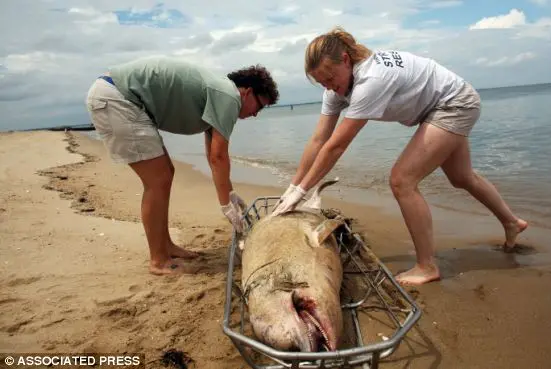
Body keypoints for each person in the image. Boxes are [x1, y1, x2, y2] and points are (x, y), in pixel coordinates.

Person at [271, 27, 527, 286]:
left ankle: (427, 266)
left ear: (346, 60)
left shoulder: (371, 80)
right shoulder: (335, 89)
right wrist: (293, 187)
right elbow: (318, 140)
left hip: (454, 104)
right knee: (461, 177)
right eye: (322, 82)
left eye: (330, 78)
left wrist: (303, 191)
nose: (329, 87)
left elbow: (336, 146)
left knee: (402, 181)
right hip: (443, 104)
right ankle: (511, 222)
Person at [85, 56, 279, 275]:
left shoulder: (218, 94)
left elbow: (212, 155)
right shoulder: (229, 96)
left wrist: (230, 195)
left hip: (117, 95)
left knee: (165, 174)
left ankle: (165, 246)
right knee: (157, 180)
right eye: (260, 106)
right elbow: (219, 157)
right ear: (246, 91)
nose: (255, 114)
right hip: (117, 97)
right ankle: (158, 260)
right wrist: (226, 206)